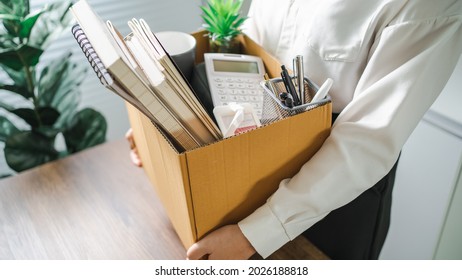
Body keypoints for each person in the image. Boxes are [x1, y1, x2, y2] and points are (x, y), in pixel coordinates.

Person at [128, 0, 462, 259]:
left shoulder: (427, 7)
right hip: (253, 162)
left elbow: (367, 140)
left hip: (339, 191)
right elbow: (253, 48)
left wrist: (254, 234)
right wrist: (169, 130)